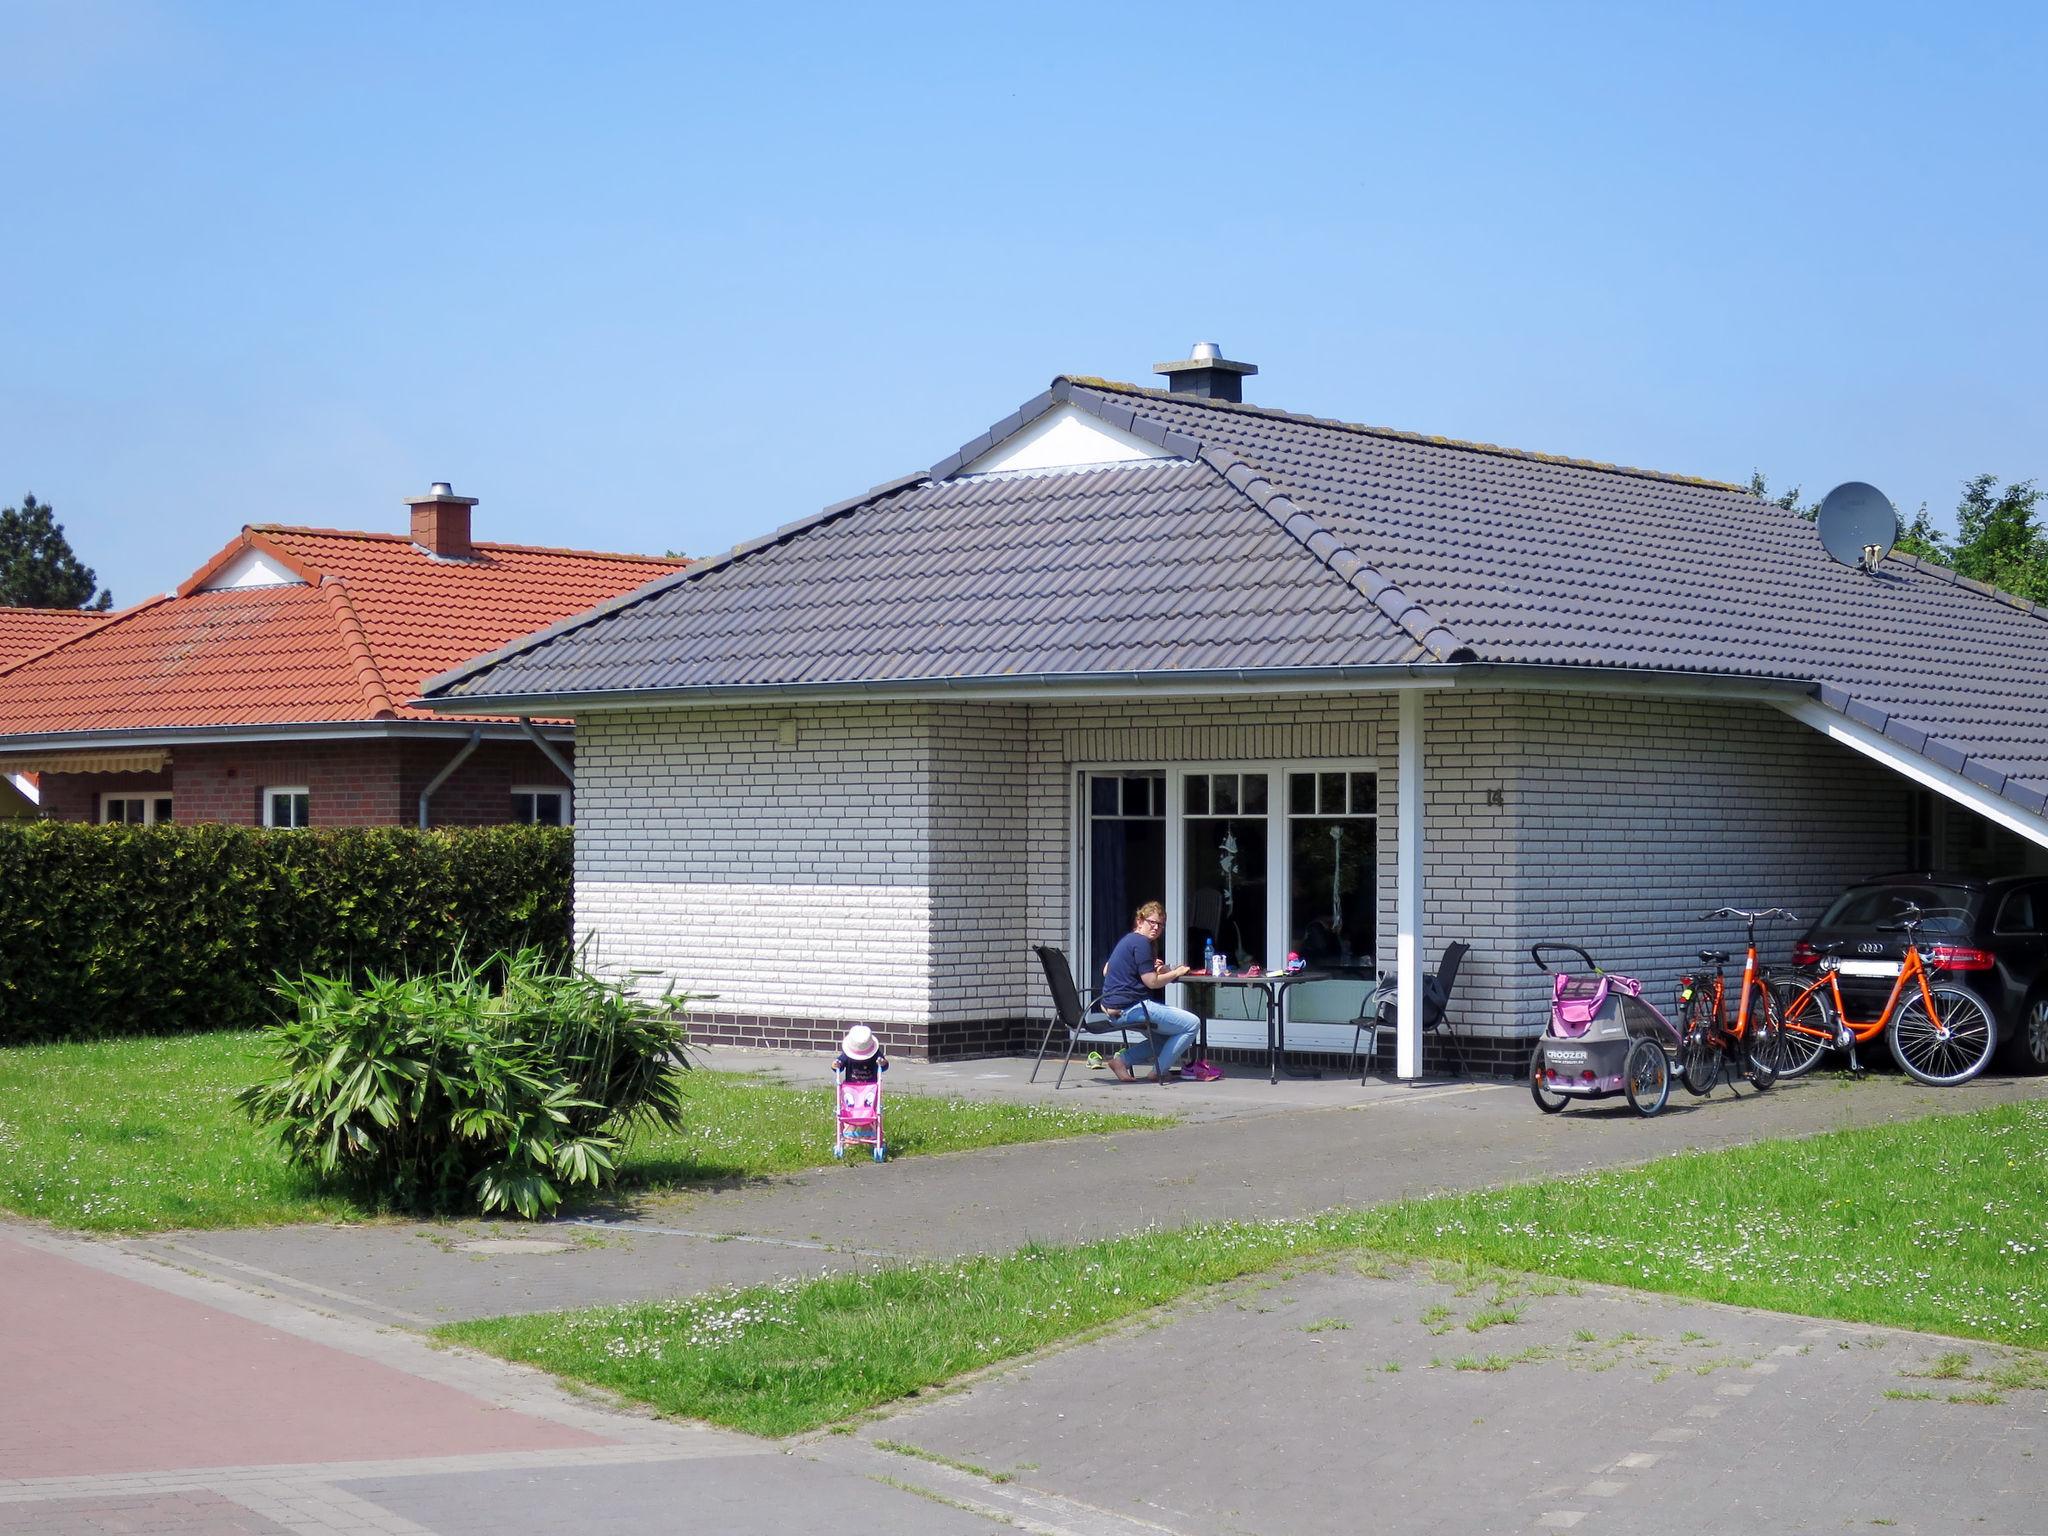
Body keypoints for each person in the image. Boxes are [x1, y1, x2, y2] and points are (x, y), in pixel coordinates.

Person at [1099, 900, 1203, 1083]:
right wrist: (1175, 972)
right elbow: (1152, 982)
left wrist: (1147, 966)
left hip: (1113, 1008)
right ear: (1140, 921)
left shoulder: (1128, 940)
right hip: (1131, 1008)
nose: (1156, 927)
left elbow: (1107, 970)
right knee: (1192, 1024)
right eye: (1151, 922)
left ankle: (1121, 1061)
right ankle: (1158, 1071)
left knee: (1164, 1038)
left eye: (1160, 925)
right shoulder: (1141, 943)